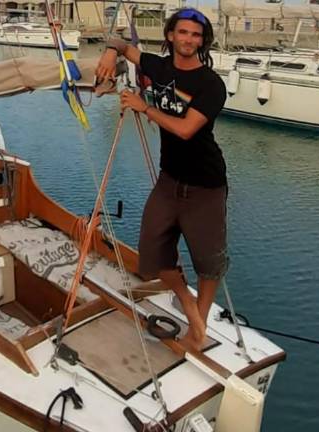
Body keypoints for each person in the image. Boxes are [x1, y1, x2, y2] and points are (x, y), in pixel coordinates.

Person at [96, 8, 228, 351]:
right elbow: (122, 45)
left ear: (203, 41)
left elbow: (185, 130)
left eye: (196, 35)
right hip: (169, 181)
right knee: (151, 253)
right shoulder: (157, 66)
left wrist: (145, 108)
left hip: (205, 186)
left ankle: (196, 332)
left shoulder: (211, 85)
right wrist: (112, 52)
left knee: (208, 263)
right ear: (170, 35)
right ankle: (187, 304)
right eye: (183, 32)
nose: (189, 40)